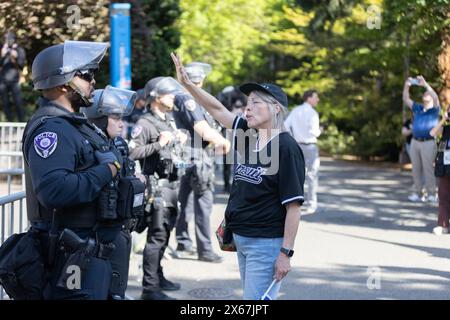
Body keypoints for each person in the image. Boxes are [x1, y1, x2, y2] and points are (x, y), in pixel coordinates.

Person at [172, 53, 305, 300]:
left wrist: (285, 253)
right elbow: (216, 108)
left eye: (256, 103)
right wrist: (188, 84)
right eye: (248, 102)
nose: (248, 107)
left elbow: (294, 207)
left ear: (276, 108)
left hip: (265, 244)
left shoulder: (286, 148)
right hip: (241, 239)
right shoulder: (248, 133)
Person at [21, 41, 128, 300]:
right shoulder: (52, 130)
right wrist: (109, 169)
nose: (93, 81)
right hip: (71, 258)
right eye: (86, 75)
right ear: (62, 82)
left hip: (92, 253)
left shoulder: (75, 125)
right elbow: (55, 190)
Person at [80, 85, 146, 299]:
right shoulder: (89, 147)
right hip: (100, 234)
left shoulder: (116, 145)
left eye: (121, 117)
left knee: (118, 288)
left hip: (120, 230)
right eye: (115, 117)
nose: (121, 122)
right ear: (99, 119)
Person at [128, 77, 187, 300]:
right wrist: (159, 144)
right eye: (168, 94)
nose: (172, 97)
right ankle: (149, 288)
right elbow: (132, 152)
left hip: (172, 185)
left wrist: (180, 140)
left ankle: (158, 276)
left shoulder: (169, 120)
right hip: (156, 188)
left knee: (165, 234)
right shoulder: (145, 123)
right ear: (155, 97)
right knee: (157, 236)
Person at [173, 62, 230, 263]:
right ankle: (204, 249)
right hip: (197, 157)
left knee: (186, 202)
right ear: (201, 80)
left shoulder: (182, 97)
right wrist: (223, 142)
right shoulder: (189, 98)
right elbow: (201, 128)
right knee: (203, 204)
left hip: (188, 156)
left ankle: (183, 242)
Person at [403, 75, 440, 202]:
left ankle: (431, 193)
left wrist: (425, 85)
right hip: (415, 141)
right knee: (416, 168)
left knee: (428, 168)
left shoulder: (434, 110)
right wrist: (407, 86)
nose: (426, 94)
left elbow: (435, 97)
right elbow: (406, 99)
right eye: (424, 93)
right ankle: (417, 192)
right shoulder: (418, 108)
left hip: (428, 142)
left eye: (427, 93)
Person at [284, 89, 321, 214]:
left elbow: (286, 125)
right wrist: (320, 130)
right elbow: (314, 132)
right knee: (312, 175)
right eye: (316, 97)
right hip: (310, 146)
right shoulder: (313, 113)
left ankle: (293, 203)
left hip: (297, 145)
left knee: (295, 175)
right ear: (309, 98)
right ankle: (311, 204)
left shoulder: (295, 110)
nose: (317, 99)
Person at [218, 86, 247, 192]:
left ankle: (230, 185)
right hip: (231, 132)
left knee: (232, 162)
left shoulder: (231, 104)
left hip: (234, 132)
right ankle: (231, 185)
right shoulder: (238, 103)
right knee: (232, 161)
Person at [430, 109, 450, 235]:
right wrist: (444, 119)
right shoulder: (446, 129)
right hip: (445, 165)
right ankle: (443, 225)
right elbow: (432, 133)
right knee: (443, 195)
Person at [0, 31, 26, 121]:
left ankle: (21, 123)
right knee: (5, 103)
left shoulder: (19, 50)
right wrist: (2, 55)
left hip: (15, 80)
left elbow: (21, 66)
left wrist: (15, 57)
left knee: (18, 102)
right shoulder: (2, 49)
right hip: (2, 80)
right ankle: (9, 123)